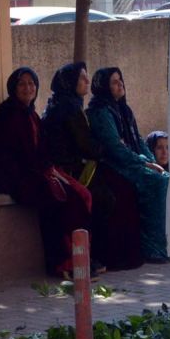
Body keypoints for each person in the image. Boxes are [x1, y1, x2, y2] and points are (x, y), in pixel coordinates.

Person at [0, 67, 95, 279]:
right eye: (22, 84)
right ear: (13, 88)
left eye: (31, 84)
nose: (28, 88)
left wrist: (49, 169)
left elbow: (41, 151)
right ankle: (61, 262)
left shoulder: (31, 114)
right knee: (59, 200)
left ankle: (81, 259)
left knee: (81, 194)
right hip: (15, 177)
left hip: (36, 171)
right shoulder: (7, 114)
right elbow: (6, 155)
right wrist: (41, 171)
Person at [40, 62, 143, 272]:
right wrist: (105, 148)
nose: (87, 82)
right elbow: (86, 145)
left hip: (74, 165)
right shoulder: (68, 108)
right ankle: (98, 255)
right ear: (70, 83)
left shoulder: (67, 104)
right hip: (67, 170)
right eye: (82, 78)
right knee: (106, 197)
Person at [88, 67, 170, 263]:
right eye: (114, 82)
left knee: (164, 176)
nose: (120, 85)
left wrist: (150, 160)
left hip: (131, 160)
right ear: (104, 87)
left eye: (121, 80)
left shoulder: (123, 110)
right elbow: (115, 147)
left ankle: (162, 244)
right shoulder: (99, 111)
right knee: (155, 182)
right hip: (114, 164)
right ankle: (152, 249)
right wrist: (144, 163)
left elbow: (138, 141)